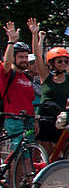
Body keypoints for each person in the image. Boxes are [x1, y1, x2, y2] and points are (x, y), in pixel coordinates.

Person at [29, 20, 69, 153]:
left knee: (62, 148)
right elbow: (37, 56)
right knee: (45, 149)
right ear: (52, 63)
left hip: (60, 116)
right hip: (44, 116)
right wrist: (36, 36)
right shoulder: (46, 76)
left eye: (66, 61)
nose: (64, 63)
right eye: (60, 61)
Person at [2, 22, 36, 157]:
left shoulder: (27, 77)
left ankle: (24, 178)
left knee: (29, 153)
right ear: (14, 58)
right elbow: (6, 64)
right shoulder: (8, 74)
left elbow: (30, 101)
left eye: (26, 57)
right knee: (19, 156)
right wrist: (11, 42)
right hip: (14, 119)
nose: (24, 60)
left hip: (28, 120)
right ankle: (15, 178)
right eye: (20, 57)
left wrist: (35, 120)